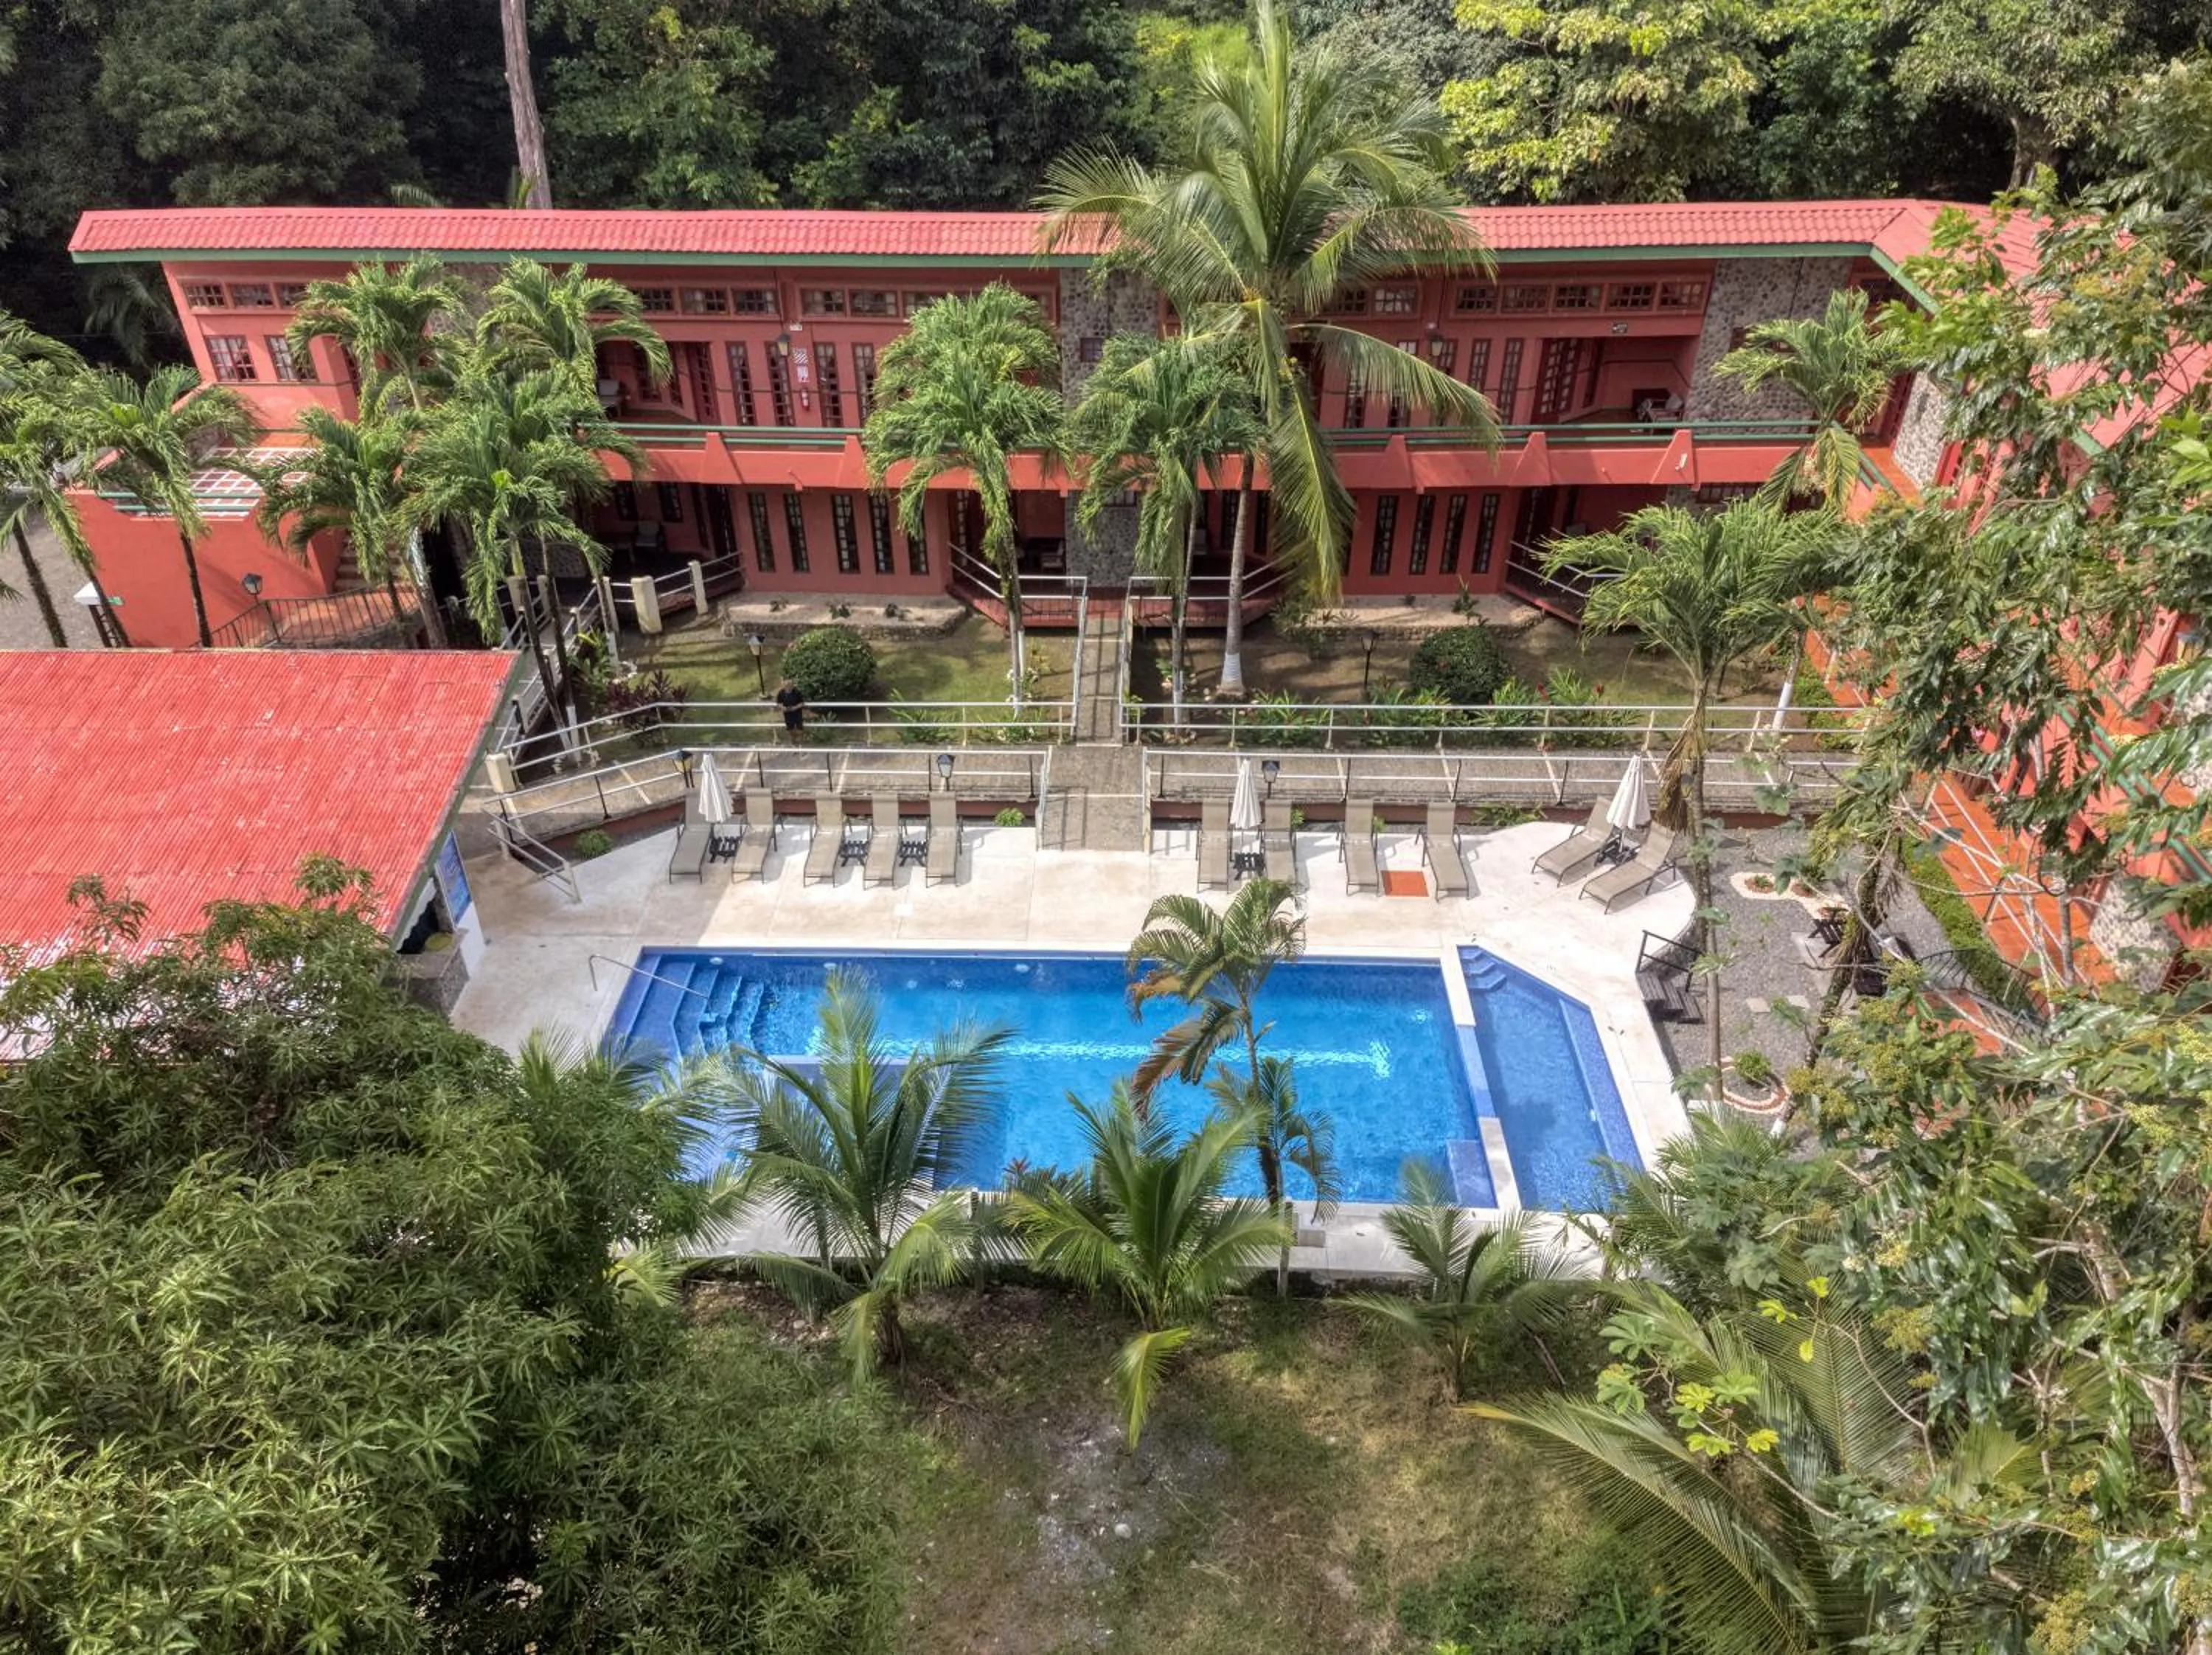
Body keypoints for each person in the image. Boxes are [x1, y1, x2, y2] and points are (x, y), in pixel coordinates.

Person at [774, 676, 807, 743]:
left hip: (797, 713)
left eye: (790, 684)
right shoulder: (781, 693)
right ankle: (794, 743)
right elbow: (779, 703)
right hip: (787, 714)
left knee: (799, 730)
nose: (788, 686)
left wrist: (795, 708)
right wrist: (783, 708)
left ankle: (800, 744)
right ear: (784, 685)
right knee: (791, 730)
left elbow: (802, 703)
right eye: (786, 684)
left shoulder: (797, 692)